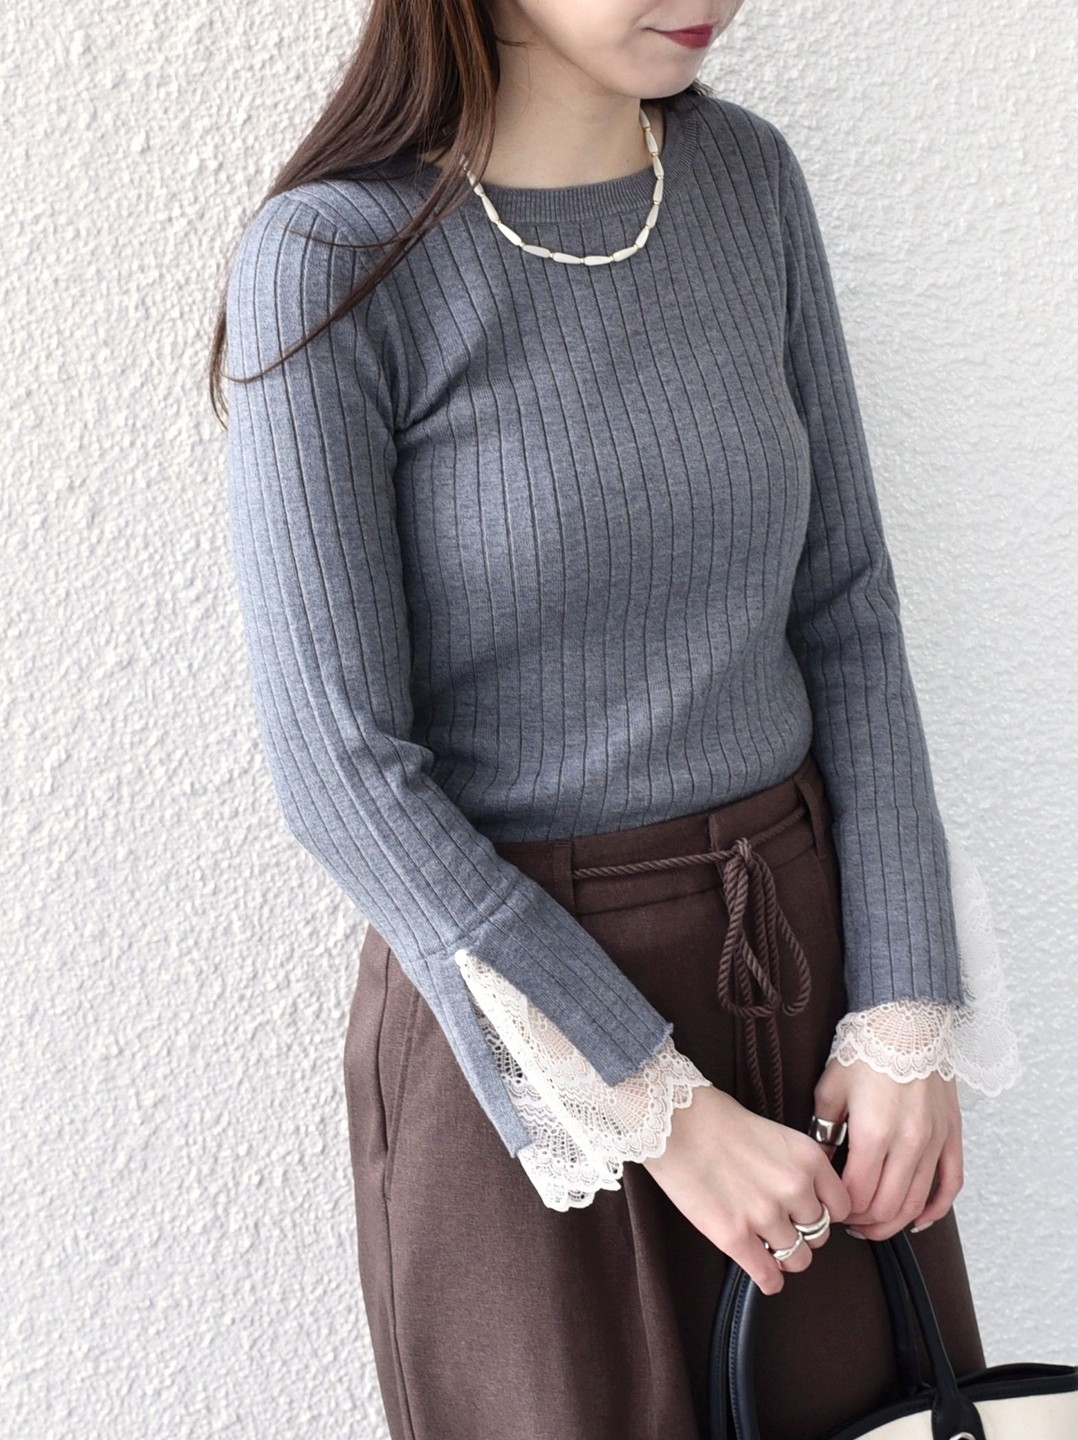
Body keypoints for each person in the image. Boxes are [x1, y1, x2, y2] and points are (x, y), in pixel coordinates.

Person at [211, 1, 1022, 1435]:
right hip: (540, 1052)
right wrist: (667, 1112)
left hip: (809, 984)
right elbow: (342, 768)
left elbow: (846, 605)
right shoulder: (332, 255)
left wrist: (905, 1011)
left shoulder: (746, 182)